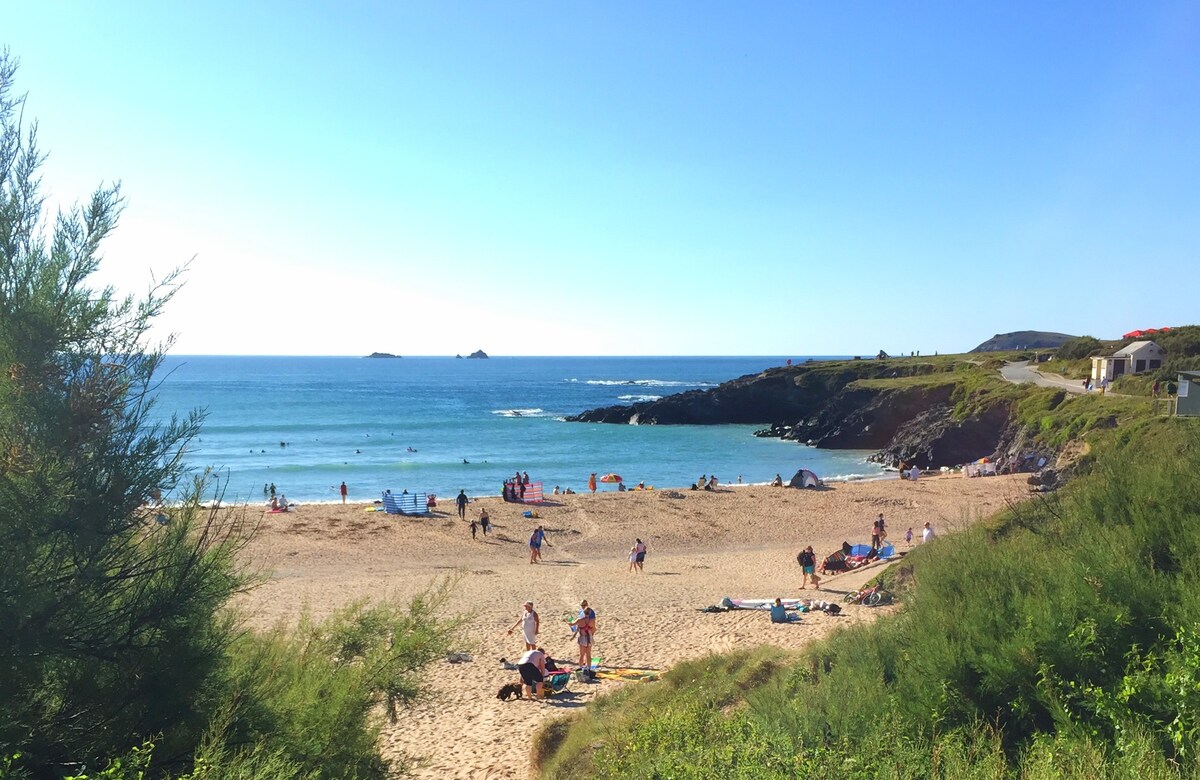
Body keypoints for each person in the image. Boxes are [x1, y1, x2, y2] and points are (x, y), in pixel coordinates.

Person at [570, 601, 596, 669]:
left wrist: (568, 621)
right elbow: (594, 629)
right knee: (588, 654)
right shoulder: (592, 621)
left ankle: (581, 668)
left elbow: (572, 624)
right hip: (589, 638)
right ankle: (589, 669)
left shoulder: (580, 620)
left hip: (582, 637)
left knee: (582, 655)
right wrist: (591, 635)